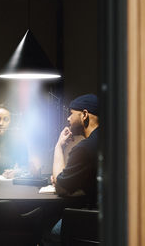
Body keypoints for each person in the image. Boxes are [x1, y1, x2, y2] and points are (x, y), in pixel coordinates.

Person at [43, 94, 99, 246]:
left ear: (84, 115)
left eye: (71, 113)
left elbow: (61, 188)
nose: (68, 119)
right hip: (119, 218)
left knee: (45, 228)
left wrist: (59, 146)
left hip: (94, 220)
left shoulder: (84, 148)